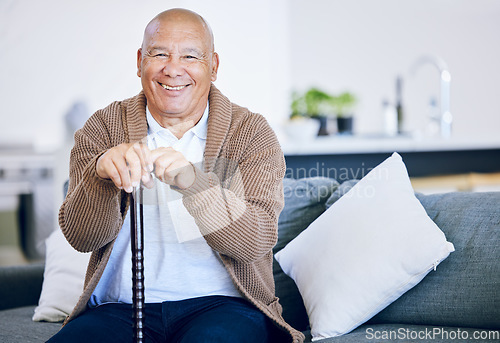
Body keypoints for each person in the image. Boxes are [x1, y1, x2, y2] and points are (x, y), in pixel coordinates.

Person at [48, 8, 304, 343]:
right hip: (120, 309)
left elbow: (254, 241)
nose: (173, 69)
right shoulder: (104, 127)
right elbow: (82, 239)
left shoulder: (250, 133)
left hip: (224, 306)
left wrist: (193, 182)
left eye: (190, 56)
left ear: (213, 66)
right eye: (159, 54)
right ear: (140, 60)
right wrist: (100, 177)